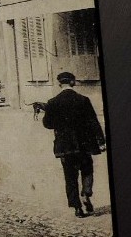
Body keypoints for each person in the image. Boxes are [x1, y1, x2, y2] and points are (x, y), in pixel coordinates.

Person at [33, 72, 107, 218]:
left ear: (60, 84)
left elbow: (48, 124)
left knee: (70, 176)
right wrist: (101, 141)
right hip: (84, 144)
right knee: (87, 170)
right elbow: (93, 122)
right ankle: (86, 193)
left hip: (65, 146)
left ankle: (77, 208)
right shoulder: (83, 100)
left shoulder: (52, 102)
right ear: (73, 82)